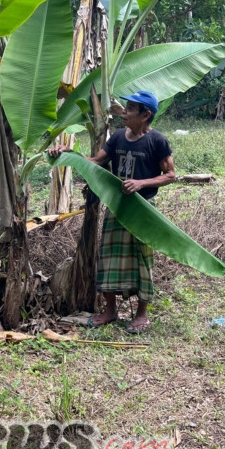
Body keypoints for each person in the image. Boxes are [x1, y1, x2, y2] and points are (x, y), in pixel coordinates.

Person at [49, 90, 175, 334]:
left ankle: (141, 314)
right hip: (116, 206)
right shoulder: (117, 137)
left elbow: (171, 175)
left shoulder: (157, 141)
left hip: (143, 210)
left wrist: (141, 183)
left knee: (142, 260)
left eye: (130, 108)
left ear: (146, 114)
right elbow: (96, 162)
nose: (124, 112)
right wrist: (67, 154)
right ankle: (109, 310)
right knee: (108, 258)